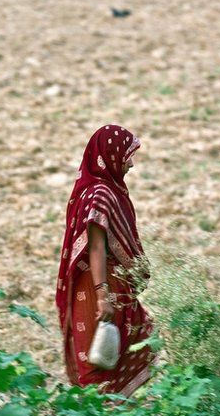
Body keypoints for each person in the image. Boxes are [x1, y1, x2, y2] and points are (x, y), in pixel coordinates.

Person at [54, 124, 158, 398]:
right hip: (98, 286)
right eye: (127, 155)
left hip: (110, 285)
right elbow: (96, 247)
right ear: (109, 156)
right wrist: (103, 295)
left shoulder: (103, 190)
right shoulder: (100, 194)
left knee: (129, 343)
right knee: (97, 364)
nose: (131, 164)